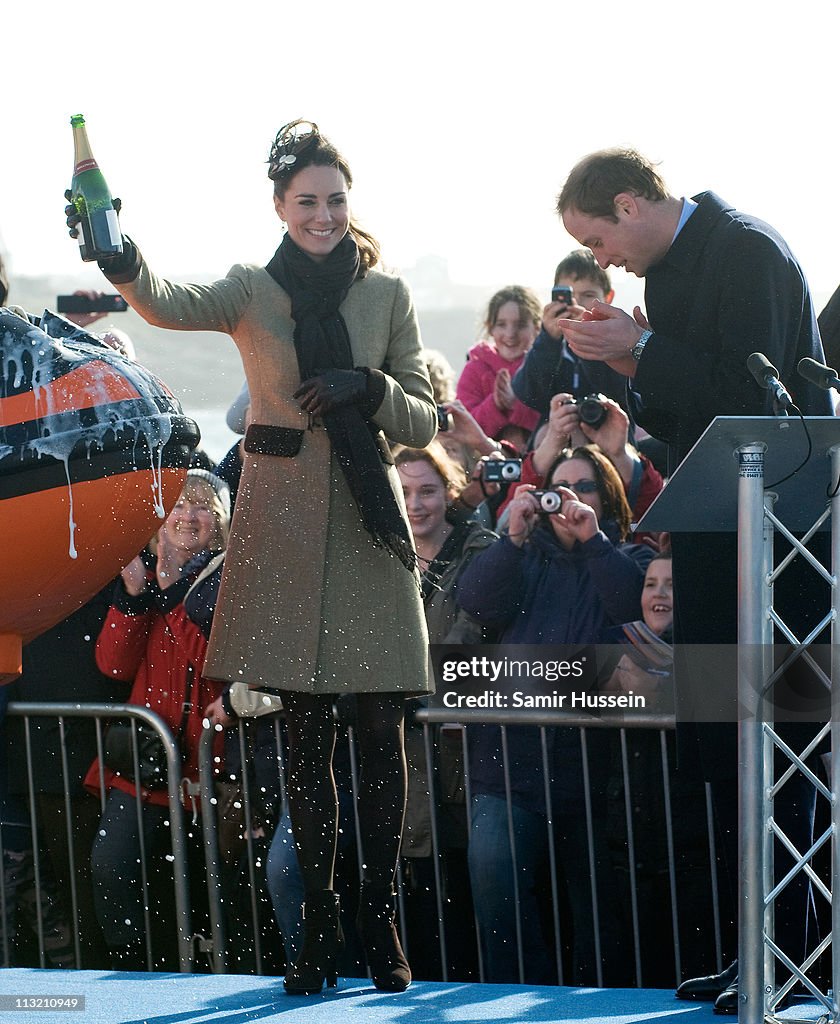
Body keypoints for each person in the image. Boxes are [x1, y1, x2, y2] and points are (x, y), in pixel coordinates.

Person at [66, 118, 437, 995]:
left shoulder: (386, 296)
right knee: (299, 744)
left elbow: (425, 415)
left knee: (380, 739)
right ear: (279, 205)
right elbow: (158, 299)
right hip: (277, 532)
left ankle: (377, 920)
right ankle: (314, 933)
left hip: (369, 529)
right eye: (307, 202)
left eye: (336, 201)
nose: (324, 215)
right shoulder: (249, 290)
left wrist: (371, 387)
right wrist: (113, 249)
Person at [554, 147, 832, 1012]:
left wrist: (643, 346)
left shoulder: (747, 252)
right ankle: (750, 949)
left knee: (784, 760)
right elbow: (686, 422)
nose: (601, 263)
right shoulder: (671, 276)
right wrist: (628, 365)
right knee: (724, 754)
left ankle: (803, 959)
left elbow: (760, 403)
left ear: (631, 204)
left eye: (597, 241)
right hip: (718, 544)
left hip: (786, 553)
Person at [456, 445, 654, 984]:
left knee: (597, 916)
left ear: (607, 497)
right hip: (508, 765)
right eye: (558, 489)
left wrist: (593, 540)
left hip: (592, 774)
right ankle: (507, 1008)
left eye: (584, 488)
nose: (569, 500)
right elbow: (474, 600)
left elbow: (634, 608)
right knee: (499, 899)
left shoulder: (628, 557)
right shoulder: (521, 557)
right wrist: (512, 535)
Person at [84, 469, 231, 969]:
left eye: (203, 507)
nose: (189, 516)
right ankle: (127, 972)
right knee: (110, 867)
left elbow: (215, 666)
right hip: (146, 767)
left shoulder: (230, 576)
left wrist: (171, 594)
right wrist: (132, 598)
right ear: (159, 520)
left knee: (206, 891)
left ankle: (206, 980)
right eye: (178, 506)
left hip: (211, 772)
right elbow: (114, 665)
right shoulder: (149, 575)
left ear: (222, 520)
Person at [512, 249, 628, 425]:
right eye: (568, 296)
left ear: (608, 297)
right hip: (556, 436)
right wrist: (548, 339)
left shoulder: (620, 343)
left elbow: (621, 394)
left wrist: (590, 340)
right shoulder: (550, 345)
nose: (577, 304)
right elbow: (528, 394)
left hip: (611, 433)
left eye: (588, 295)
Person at [455, 285, 542, 450]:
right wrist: (496, 404)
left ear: (537, 328)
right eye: (502, 324)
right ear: (490, 328)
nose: (510, 334)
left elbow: (551, 422)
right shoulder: (475, 369)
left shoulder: (544, 368)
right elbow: (465, 427)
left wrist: (515, 404)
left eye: (521, 325)